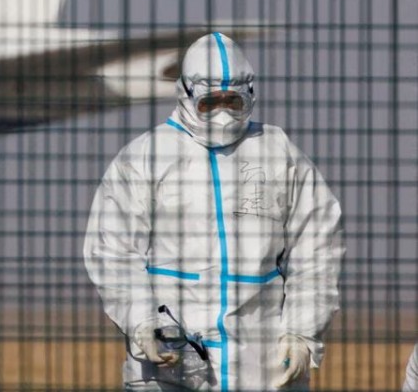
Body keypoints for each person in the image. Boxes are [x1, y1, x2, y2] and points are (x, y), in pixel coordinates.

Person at [84, 32, 344, 391]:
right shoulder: (144, 158)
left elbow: (317, 249)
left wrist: (302, 330)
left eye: (232, 101)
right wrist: (142, 322)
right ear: (187, 95)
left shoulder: (279, 154)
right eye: (211, 103)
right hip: (171, 361)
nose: (223, 113)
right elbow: (112, 251)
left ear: (249, 95)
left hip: (260, 362)